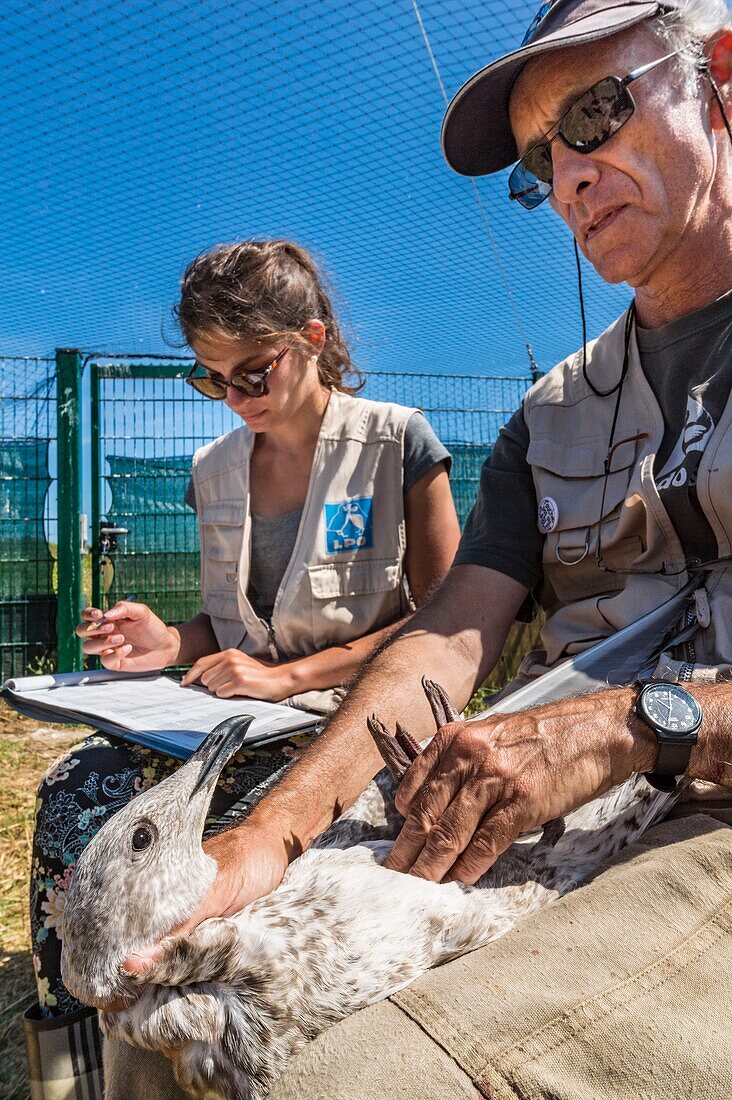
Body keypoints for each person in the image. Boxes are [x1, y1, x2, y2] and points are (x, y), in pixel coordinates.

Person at [99, 2, 732, 1097]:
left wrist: (635, 726)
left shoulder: (399, 440)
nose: (572, 174)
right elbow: (446, 636)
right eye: (543, 156)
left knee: (358, 1079)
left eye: (596, 110)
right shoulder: (552, 415)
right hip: (540, 811)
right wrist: (272, 836)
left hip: (702, 818)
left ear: (722, 76)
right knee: (160, 1021)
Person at [23, 238, 461, 1099]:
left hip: (359, 720)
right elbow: (232, 624)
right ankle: (72, 1061)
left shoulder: (395, 441)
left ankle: (214, 1053)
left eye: (252, 372)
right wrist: (168, 642)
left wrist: (293, 679)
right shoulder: (210, 470)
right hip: (237, 721)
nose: (234, 398)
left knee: (216, 856)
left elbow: (449, 621)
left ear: (312, 336)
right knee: (75, 796)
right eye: (210, 378)